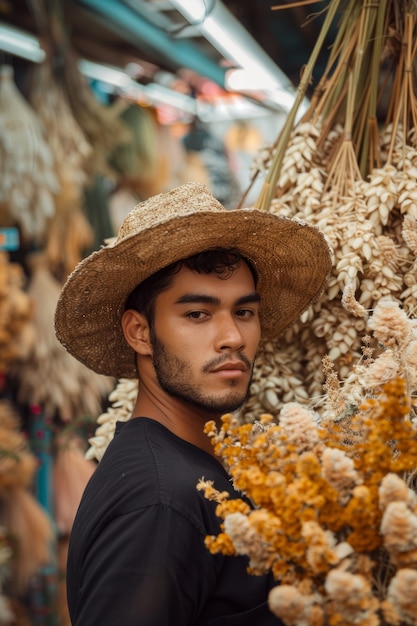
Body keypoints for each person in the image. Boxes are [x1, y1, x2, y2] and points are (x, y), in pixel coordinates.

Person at [54, 182, 332, 626]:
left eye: (244, 312)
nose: (233, 337)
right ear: (140, 332)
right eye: (197, 314)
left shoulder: (186, 469)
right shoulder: (161, 502)